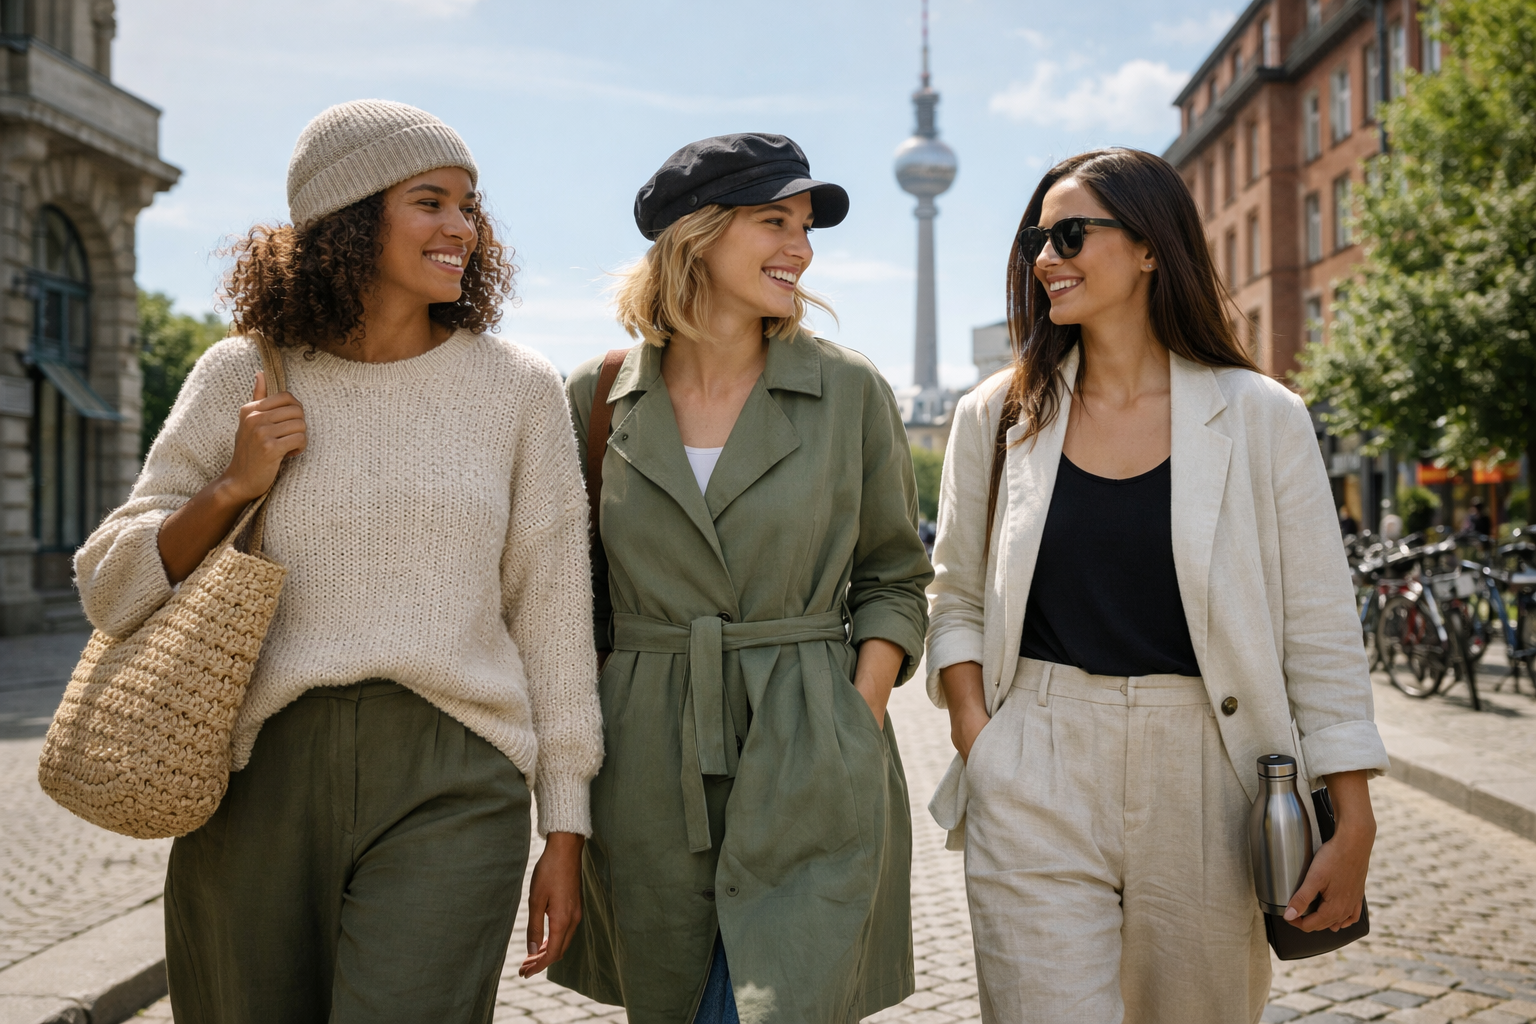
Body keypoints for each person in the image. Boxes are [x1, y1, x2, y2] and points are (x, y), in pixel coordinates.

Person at [73, 100, 603, 1023]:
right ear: (350, 220)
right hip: (256, 772)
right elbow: (109, 584)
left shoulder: (518, 390)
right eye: (429, 202)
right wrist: (234, 486)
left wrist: (566, 821)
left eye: (469, 206)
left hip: (455, 771)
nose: (461, 229)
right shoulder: (243, 372)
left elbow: (551, 613)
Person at [925, 148, 1389, 1024]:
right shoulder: (999, 413)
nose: (1044, 258)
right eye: (1036, 240)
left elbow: (1320, 631)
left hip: (1211, 773)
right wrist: (979, 734)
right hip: (1037, 762)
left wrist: (1353, 818)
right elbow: (954, 595)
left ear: (1149, 247)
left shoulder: (1261, 417)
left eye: (1069, 235)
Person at [548, 134, 932, 1023]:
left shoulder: (848, 391)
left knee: (776, 1002)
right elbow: (573, 603)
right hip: (644, 762)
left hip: (809, 739)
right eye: (774, 221)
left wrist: (849, 715)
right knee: (676, 1000)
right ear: (696, 233)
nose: (800, 247)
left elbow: (893, 577)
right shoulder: (596, 397)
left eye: (806, 226)